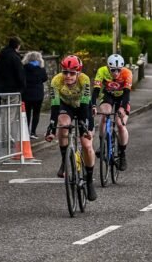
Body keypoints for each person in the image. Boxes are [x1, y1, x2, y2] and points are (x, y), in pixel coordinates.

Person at [45, 55, 97, 201]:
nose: (68, 76)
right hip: (65, 106)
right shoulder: (56, 81)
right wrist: (51, 128)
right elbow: (55, 106)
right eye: (65, 72)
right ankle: (65, 161)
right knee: (63, 125)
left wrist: (84, 126)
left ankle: (89, 180)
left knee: (87, 145)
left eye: (72, 73)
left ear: (78, 73)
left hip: (82, 107)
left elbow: (85, 105)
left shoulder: (84, 80)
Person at [91, 54, 132, 171]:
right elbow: (96, 90)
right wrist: (93, 105)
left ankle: (122, 154)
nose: (116, 73)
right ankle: (102, 144)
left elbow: (127, 94)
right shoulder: (102, 71)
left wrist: (122, 108)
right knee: (105, 114)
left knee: (120, 124)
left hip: (122, 97)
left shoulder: (127, 73)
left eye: (118, 70)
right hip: (108, 95)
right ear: (108, 68)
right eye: (113, 70)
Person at [22, 51, 48, 139]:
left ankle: (26, 132)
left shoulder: (24, 68)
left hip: (26, 94)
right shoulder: (41, 68)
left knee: (27, 113)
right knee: (36, 113)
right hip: (38, 94)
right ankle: (33, 132)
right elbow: (45, 78)